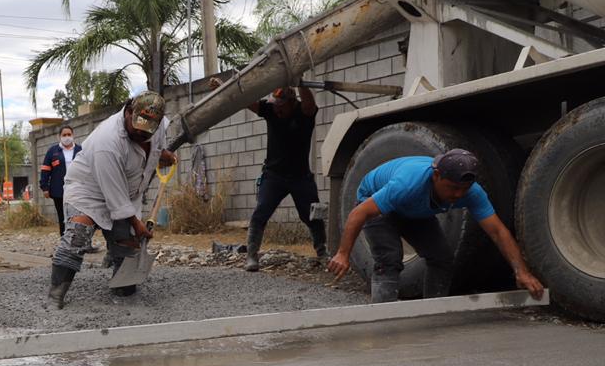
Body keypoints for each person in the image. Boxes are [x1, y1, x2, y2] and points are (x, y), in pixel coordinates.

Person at [327, 148, 544, 302]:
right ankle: (382, 319)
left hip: (413, 208)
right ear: (436, 175)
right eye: (452, 187)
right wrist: (343, 254)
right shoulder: (408, 183)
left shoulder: (472, 193)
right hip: (374, 198)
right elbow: (359, 213)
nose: (457, 195)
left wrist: (521, 271)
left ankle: (432, 312)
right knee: (389, 258)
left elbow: (497, 232)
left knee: (441, 257)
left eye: (464, 189)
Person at [48, 91, 176, 308]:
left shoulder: (159, 125)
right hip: (87, 191)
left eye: (146, 133)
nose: (139, 133)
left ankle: (122, 288)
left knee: (127, 241)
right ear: (128, 111)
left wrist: (161, 154)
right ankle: (55, 296)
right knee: (78, 236)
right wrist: (138, 224)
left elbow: (152, 148)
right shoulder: (108, 142)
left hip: (124, 192)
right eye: (136, 127)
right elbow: (114, 198)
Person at [211, 79, 326, 270]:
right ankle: (251, 256)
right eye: (275, 105)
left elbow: (309, 104)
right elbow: (245, 100)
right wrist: (225, 86)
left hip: (301, 177)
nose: (277, 110)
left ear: (292, 102)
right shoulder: (270, 111)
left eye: (281, 106)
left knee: (312, 216)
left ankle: (322, 252)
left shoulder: (304, 113)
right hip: (274, 176)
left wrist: (300, 83)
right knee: (260, 213)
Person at [40, 124, 80, 235]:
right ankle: (65, 242)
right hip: (59, 190)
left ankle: (82, 243)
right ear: (59, 137)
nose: (67, 137)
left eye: (69, 134)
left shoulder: (80, 150)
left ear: (73, 135)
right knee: (62, 216)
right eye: (64, 135)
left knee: (79, 217)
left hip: (78, 190)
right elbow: (45, 170)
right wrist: (45, 187)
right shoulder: (52, 151)